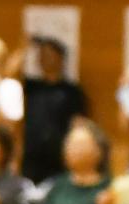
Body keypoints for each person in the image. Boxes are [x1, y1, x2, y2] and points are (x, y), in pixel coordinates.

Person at [20, 36, 87, 184]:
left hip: (59, 158)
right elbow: (9, 74)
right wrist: (26, 48)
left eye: (49, 54)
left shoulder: (72, 91)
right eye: (41, 55)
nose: (44, 58)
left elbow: (78, 123)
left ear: (60, 58)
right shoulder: (31, 86)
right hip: (32, 155)